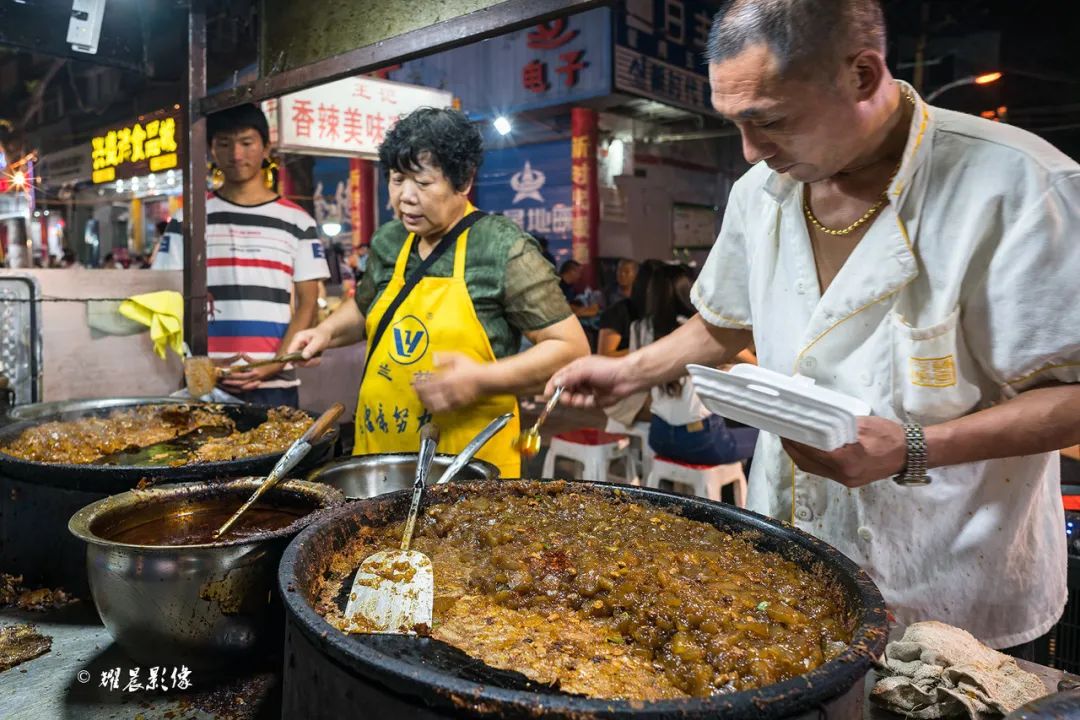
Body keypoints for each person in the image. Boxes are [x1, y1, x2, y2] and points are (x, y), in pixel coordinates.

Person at [548, 0, 1080, 658]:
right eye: (734, 124)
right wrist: (627, 371)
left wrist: (913, 447)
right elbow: (721, 323)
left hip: (955, 584)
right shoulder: (758, 194)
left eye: (770, 121)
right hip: (791, 561)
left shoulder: (1022, 187)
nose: (751, 150)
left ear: (862, 75)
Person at [288, 107, 589, 478]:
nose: (405, 198)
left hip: (468, 465)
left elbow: (570, 348)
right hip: (380, 453)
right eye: (397, 180)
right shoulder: (390, 240)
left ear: (462, 182)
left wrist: (479, 379)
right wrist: (325, 333)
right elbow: (366, 309)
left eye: (423, 183)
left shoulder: (500, 247)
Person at [156, 103, 329, 407]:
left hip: (276, 383)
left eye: (247, 143)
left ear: (266, 148)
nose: (236, 154)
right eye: (224, 144)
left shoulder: (299, 221)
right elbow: (164, 297)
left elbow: (308, 303)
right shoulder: (188, 219)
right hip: (204, 382)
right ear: (211, 149)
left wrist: (273, 364)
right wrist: (198, 362)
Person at [597, 259, 662, 358]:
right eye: (619, 271)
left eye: (626, 271)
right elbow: (605, 356)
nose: (622, 274)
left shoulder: (668, 312)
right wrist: (647, 347)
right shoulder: (613, 302)